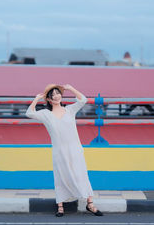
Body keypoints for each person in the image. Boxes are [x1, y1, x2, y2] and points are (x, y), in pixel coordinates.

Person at [26, 83, 103, 217]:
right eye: (52, 95)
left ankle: (90, 204)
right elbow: (29, 113)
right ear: (49, 100)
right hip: (59, 151)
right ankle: (60, 206)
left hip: (75, 149)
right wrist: (37, 99)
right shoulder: (45, 114)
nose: (56, 96)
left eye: (58, 93)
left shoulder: (70, 109)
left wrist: (71, 89)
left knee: (81, 174)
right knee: (60, 177)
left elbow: (83, 100)